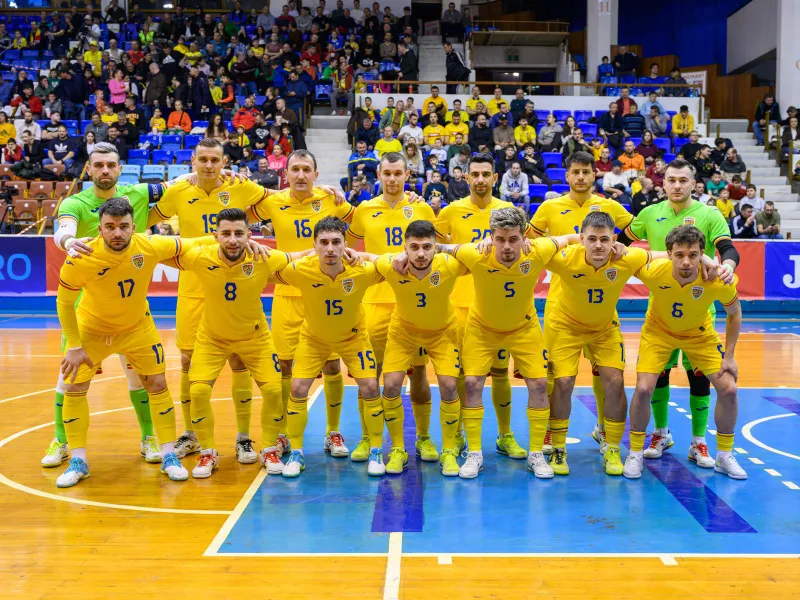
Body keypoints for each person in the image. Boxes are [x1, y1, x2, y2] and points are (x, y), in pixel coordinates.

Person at [53, 198, 211, 488]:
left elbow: (188, 243)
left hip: (137, 327)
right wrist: (74, 346)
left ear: (133, 227)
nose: (117, 233)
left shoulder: (148, 245)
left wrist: (225, 236)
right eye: (110, 227)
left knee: (157, 385)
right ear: (99, 229)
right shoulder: (81, 257)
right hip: (93, 329)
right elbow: (63, 303)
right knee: (74, 386)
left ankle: (168, 456)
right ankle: (78, 460)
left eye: (123, 226)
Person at [146, 139, 271, 460]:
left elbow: (282, 201)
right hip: (193, 289)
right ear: (193, 160)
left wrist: (328, 191)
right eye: (203, 159)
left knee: (239, 359)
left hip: (233, 289)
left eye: (215, 160)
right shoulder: (178, 191)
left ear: (223, 161)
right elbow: (140, 220)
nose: (209, 165)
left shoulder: (240, 188)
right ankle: (192, 434)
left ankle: (244, 437)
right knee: (188, 363)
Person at [435, 208, 576, 478]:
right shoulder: (475, 253)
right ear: (491, 237)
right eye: (500, 239)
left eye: (513, 239)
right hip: (481, 329)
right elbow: (439, 246)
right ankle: (475, 453)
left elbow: (570, 238)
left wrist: (614, 246)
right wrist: (406, 253)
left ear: (525, 237)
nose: (507, 246)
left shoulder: (539, 249)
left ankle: (536, 453)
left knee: (537, 383)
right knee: (473, 383)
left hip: (524, 328)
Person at [618, 159, 740, 465]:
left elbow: (728, 249)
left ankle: (699, 441)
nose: (676, 186)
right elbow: (620, 245)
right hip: (661, 308)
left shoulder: (709, 214)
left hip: (699, 308)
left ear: (693, 183)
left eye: (683, 180)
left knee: (698, 376)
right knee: (657, 376)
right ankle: (661, 432)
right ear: (663, 183)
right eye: (671, 180)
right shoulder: (649, 213)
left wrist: (725, 268)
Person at [175, 209, 310, 478]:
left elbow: (300, 256)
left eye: (239, 233)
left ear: (251, 235)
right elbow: (159, 250)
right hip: (212, 338)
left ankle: (269, 449)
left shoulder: (263, 257)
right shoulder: (200, 256)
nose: (233, 240)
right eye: (225, 233)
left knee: (273, 391)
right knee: (199, 391)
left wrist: (345, 253)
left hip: (255, 338)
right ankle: (207, 452)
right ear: (215, 236)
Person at [424, 154, 536, 457]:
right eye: (475, 174)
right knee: (465, 376)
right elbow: (430, 246)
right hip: (460, 304)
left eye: (486, 173)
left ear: (495, 177)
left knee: (500, 373)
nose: (481, 179)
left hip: (500, 305)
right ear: (466, 177)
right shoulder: (451, 211)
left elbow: (530, 244)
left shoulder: (509, 212)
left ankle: (505, 435)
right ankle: (459, 434)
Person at [248, 150, 355, 454]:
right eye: (295, 169)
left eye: (306, 169)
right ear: (286, 173)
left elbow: (360, 221)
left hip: (325, 293)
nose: (300, 175)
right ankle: (283, 432)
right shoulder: (273, 201)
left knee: (332, 363)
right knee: (284, 365)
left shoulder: (331, 199)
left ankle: (333, 432)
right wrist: (248, 239)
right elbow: (239, 216)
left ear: (316, 174)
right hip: (287, 292)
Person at [624, 225, 745, 480]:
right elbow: (627, 254)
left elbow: (734, 313)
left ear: (702, 254)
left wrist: (730, 356)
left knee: (729, 389)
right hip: (658, 333)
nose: (686, 261)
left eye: (693, 254)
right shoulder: (654, 271)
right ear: (669, 254)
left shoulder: (716, 279)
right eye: (679, 255)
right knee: (644, 388)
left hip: (700, 335)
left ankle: (724, 455)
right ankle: (635, 452)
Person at [544, 212, 654, 475]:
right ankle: (558, 448)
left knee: (615, 381)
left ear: (614, 240)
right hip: (566, 326)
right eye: (591, 239)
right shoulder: (565, 258)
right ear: (581, 239)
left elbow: (667, 256)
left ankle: (613, 447)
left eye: (604, 239)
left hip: (604, 329)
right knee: (563, 382)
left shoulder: (627, 258)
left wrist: (709, 260)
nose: (598, 245)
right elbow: (530, 248)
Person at [276, 217, 385, 477]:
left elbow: (394, 264)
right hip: (313, 339)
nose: (330, 249)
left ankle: (377, 450)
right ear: (314, 246)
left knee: (370, 386)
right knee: (298, 387)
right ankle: (297, 453)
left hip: (353, 338)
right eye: (323, 243)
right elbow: (263, 269)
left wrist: (366, 254)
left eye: (336, 242)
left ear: (346, 245)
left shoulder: (362, 269)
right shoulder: (300, 269)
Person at [344, 153, 437, 458]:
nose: (393, 179)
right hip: (374, 302)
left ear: (407, 175)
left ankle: (423, 437)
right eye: (387, 173)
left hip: (414, 303)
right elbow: (348, 248)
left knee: (419, 373)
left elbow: (436, 248)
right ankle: (369, 438)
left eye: (398, 173)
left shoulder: (420, 207)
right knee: (369, 374)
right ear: (379, 176)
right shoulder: (365, 210)